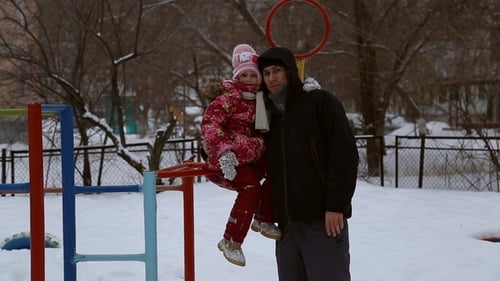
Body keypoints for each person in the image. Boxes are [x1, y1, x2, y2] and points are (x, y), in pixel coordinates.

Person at [257, 47, 359, 281]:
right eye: (267, 73)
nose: (272, 78)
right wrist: (210, 147)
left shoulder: (319, 103)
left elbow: (344, 155)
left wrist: (336, 205)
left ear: (290, 72)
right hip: (286, 225)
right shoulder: (267, 115)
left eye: (277, 71)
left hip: (322, 221)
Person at [201, 44, 281, 267]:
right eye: (243, 75)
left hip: (252, 154)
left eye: (252, 75)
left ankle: (264, 218)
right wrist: (225, 151)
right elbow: (210, 124)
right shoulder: (228, 99)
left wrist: (306, 88)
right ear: (236, 76)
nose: (248, 79)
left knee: (278, 169)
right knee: (251, 187)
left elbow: (286, 100)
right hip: (229, 158)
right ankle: (231, 241)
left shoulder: (261, 100)